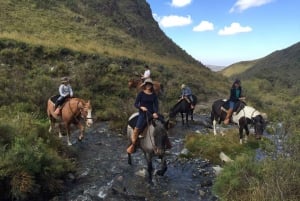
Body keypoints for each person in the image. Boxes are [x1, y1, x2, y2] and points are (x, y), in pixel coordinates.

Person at [127, 78, 159, 154]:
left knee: (162, 124)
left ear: (151, 85)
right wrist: (141, 107)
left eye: (150, 84)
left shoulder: (154, 95)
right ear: (145, 85)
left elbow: (156, 105)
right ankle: (133, 144)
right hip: (143, 114)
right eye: (147, 84)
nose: (148, 86)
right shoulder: (141, 94)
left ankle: (165, 144)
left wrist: (155, 112)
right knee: (137, 129)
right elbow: (136, 104)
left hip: (151, 114)